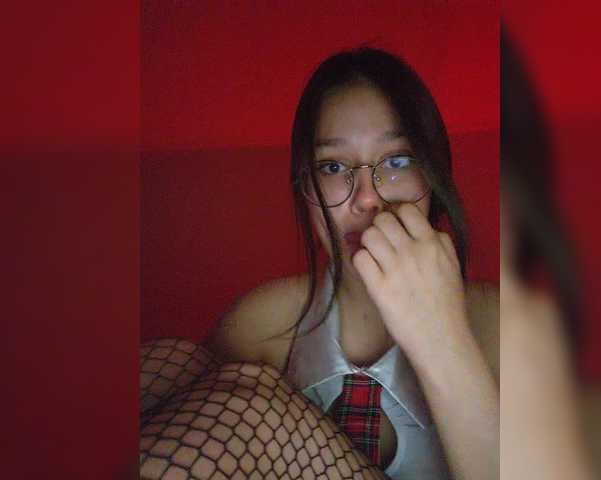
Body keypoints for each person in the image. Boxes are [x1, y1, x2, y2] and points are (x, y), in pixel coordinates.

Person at [140, 47, 499, 480]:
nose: (367, 198)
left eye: (397, 161)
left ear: (434, 177)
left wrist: (443, 337)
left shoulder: (500, 325)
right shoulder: (262, 324)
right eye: (332, 166)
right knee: (173, 362)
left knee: (253, 404)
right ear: (305, 187)